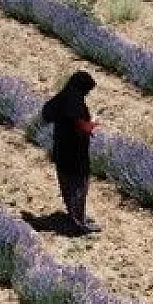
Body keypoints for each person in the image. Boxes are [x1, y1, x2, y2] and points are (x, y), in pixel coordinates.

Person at [37, 70, 101, 234]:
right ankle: (79, 224)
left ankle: (74, 216)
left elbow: (46, 114)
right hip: (75, 153)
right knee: (79, 186)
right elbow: (83, 127)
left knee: (67, 185)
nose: (87, 93)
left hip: (61, 150)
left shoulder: (62, 98)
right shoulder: (75, 104)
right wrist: (93, 122)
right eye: (87, 90)